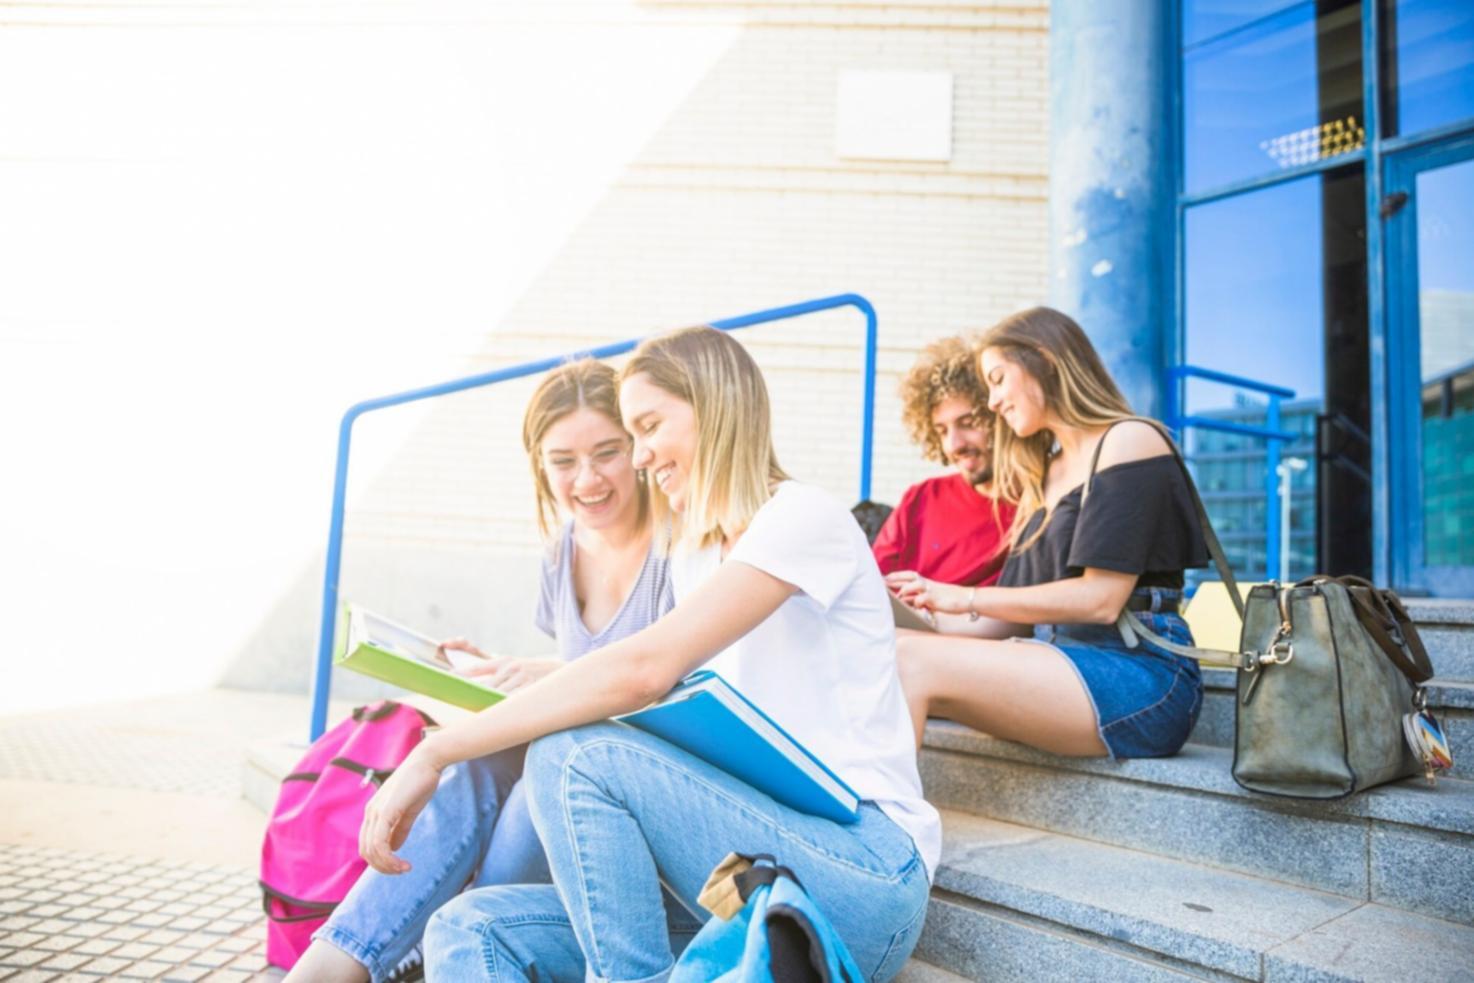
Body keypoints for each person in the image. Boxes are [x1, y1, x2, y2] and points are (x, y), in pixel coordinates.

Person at [361, 326, 936, 982]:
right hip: (739, 874)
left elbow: (641, 670)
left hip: (860, 874)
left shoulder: (802, 518)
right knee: (468, 927)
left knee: (572, 754)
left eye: (648, 426)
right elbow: (649, 679)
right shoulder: (696, 556)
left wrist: (436, 749)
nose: (638, 458)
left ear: (714, 406)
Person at [285, 359, 692, 983]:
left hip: (641, 799)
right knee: (483, 768)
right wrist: (509, 671)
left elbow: (654, 679)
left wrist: (542, 688)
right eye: (563, 461)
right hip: (570, 776)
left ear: (637, 447)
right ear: (539, 464)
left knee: (541, 765)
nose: (588, 479)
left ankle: (457, 951)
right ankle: (339, 961)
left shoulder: (679, 545)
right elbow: (586, 669)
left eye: (607, 452)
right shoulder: (563, 552)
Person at [887, 307, 1206, 757]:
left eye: (997, 379)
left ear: (1044, 359)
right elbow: (1013, 621)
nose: (993, 401)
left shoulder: (1129, 440)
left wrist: (965, 596)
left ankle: (886, 824)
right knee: (893, 646)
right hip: (1055, 657)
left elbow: (1101, 599)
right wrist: (926, 614)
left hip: (1140, 674)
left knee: (908, 659)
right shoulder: (1044, 475)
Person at [872, 334, 1014, 587]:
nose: (954, 445)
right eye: (942, 431)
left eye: (968, 424)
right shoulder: (921, 498)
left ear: (1000, 415)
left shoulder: (1035, 506)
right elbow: (872, 587)